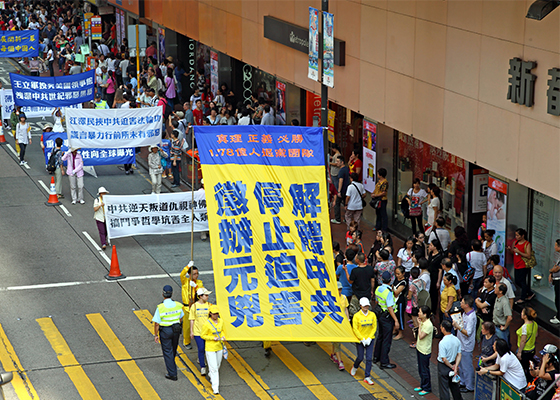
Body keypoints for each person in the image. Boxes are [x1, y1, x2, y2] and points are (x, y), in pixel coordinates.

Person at [152, 285, 184, 381]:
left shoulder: (160, 307)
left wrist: (156, 335)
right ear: (172, 293)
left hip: (165, 331)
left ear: (163, 294)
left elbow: (157, 323)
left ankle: (172, 373)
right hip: (176, 330)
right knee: (173, 348)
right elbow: (181, 318)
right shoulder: (178, 305)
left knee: (167, 351)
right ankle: (172, 364)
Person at [373, 271, 399, 369]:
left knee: (380, 336)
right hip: (387, 317)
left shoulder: (378, 289)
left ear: (382, 279)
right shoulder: (388, 292)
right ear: (390, 280)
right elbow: (390, 307)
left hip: (380, 315)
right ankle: (384, 362)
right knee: (386, 340)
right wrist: (396, 320)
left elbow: (376, 301)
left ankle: (376, 357)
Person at [350, 297, 377, 385]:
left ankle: (367, 376)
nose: (366, 307)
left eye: (367, 305)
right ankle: (355, 367)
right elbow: (355, 329)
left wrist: (369, 338)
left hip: (369, 339)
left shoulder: (372, 315)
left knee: (369, 358)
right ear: (360, 305)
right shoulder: (356, 316)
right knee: (360, 357)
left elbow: (374, 327)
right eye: (364, 305)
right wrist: (362, 338)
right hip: (360, 340)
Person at [453, 296, 476, 393]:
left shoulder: (471, 317)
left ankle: (469, 386)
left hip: (467, 345)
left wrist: (458, 327)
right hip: (461, 343)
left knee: (467, 367)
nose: (460, 304)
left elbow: (468, 332)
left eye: (462, 302)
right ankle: (463, 382)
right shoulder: (465, 314)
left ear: (466, 305)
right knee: (461, 366)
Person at [201, 305, 226, 395]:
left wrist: (223, 336)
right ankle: (215, 387)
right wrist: (212, 338)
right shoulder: (206, 324)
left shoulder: (221, 321)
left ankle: (211, 375)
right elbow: (203, 335)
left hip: (219, 347)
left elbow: (222, 330)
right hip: (210, 348)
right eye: (214, 314)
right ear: (210, 314)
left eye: (217, 314)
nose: (216, 315)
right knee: (214, 368)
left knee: (217, 365)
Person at [507, 228, 534, 304]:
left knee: (522, 281)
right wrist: (510, 250)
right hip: (516, 264)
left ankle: (523, 297)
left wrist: (519, 252)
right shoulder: (515, 242)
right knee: (517, 281)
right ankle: (529, 293)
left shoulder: (527, 244)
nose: (516, 237)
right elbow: (513, 252)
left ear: (522, 235)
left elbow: (528, 256)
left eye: (518, 235)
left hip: (523, 265)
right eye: (516, 235)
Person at [437, 319, 463, 400]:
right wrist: (455, 366)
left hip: (443, 366)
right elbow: (459, 354)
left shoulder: (442, 342)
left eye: (441, 327)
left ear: (443, 329)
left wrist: (451, 366)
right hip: (453, 363)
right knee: (454, 386)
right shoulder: (456, 340)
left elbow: (444, 359)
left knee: (444, 388)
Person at [180, 262, 203, 348]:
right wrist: (187, 266)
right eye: (194, 274)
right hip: (187, 308)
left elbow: (202, 291)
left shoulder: (199, 282)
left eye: (197, 273)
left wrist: (196, 286)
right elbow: (182, 275)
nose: (196, 275)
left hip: (196, 307)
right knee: (186, 327)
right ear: (189, 274)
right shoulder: (185, 281)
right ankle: (186, 342)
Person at [190, 288, 212, 376]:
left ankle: (207, 364)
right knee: (201, 348)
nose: (207, 297)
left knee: (208, 349)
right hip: (198, 332)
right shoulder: (194, 306)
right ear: (200, 296)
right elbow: (192, 319)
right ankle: (203, 367)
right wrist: (191, 331)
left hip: (207, 332)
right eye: (205, 295)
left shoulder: (209, 305)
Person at [516, 307, 539, 381]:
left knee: (524, 368)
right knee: (530, 366)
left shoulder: (524, 328)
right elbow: (536, 335)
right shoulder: (534, 324)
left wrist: (519, 352)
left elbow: (523, 341)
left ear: (525, 316)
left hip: (525, 351)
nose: (521, 314)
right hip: (532, 349)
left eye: (522, 313)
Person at [415, 305, 433, 396]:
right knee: (420, 368)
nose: (418, 313)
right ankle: (422, 385)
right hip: (419, 348)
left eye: (420, 312)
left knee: (424, 370)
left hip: (424, 350)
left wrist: (418, 325)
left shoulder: (428, 325)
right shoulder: (423, 322)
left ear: (425, 314)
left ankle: (427, 387)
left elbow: (421, 336)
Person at [331, 281, 349, 371]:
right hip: (334, 324)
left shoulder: (344, 298)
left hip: (341, 323)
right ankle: (340, 362)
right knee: (337, 342)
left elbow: (346, 309)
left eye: (340, 289)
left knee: (336, 341)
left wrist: (348, 320)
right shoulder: (330, 298)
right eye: (337, 289)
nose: (339, 291)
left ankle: (333, 354)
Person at [331, 155, 349, 225]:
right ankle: (346, 218)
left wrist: (339, 191)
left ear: (342, 162)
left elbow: (340, 181)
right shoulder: (346, 169)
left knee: (337, 204)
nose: (337, 163)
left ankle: (338, 219)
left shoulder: (341, 171)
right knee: (346, 205)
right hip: (346, 190)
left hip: (342, 191)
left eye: (338, 161)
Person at [392, 266, 408, 340]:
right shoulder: (396, 279)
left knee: (400, 316)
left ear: (403, 273)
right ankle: (395, 329)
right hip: (394, 301)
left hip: (400, 302)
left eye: (398, 274)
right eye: (396, 273)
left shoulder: (403, 282)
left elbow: (396, 293)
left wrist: (392, 291)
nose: (397, 275)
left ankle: (401, 333)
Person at [548, 239, 560, 324]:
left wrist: (550, 271)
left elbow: (557, 268)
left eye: (556, 245)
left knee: (558, 299)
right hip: (556, 279)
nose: (555, 247)